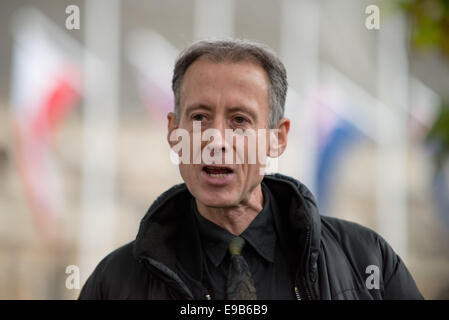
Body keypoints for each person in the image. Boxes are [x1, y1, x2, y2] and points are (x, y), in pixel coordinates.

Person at [79, 39, 423, 300]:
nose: (216, 139)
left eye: (239, 121)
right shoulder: (116, 281)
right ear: (173, 132)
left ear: (277, 138)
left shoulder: (366, 260)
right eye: (199, 118)